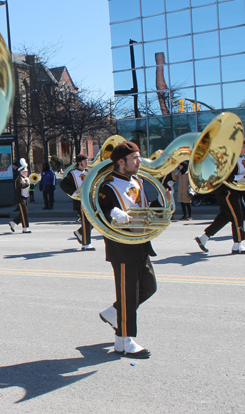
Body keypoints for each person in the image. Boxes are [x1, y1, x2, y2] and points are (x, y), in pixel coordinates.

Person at [97, 141, 156, 359]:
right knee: (128, 294)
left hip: (140, 243)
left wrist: (163, 201)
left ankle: (115, 312)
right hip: (121, 246)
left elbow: (144, 209)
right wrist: (113, 211)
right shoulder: (108, 185)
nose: (139, 161)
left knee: (149, 286)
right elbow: (99, 209)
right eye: (135, 158)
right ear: (122, 162)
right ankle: (124, 341)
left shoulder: (137, 181)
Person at [195, 141, 245, 254]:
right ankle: (237, 245)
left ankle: (204, 238)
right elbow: (225, 176)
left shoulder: (241, 159)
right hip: (227, 192)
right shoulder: (230, 159)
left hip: (236, 191)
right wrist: (240, 177)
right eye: (244, 147)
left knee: (226, 216)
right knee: (238, 216)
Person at [60, 154, 95, 251]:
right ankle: (86, 244)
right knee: (86, 221)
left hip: (89, 199)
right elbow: (63, 184)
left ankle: (80, 233)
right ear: (79, 162)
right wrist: (74, 193)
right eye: (85, 161)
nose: (87, 163)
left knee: (93, 221)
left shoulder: (88, 172)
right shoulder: (72, 173)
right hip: (80, 201)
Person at [9, 158, 31, 234]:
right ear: (21, 172)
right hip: (20, 198)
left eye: (27, 172)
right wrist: (28, 184)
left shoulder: (26, 178)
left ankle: (13, 222)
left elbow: (30, 188)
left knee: (23, 212)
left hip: (25, 197)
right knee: (24, 212)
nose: (26, 173)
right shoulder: (19, 179)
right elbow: (20, 185)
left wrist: (33, 184)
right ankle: (25, 227)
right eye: (25, 172)